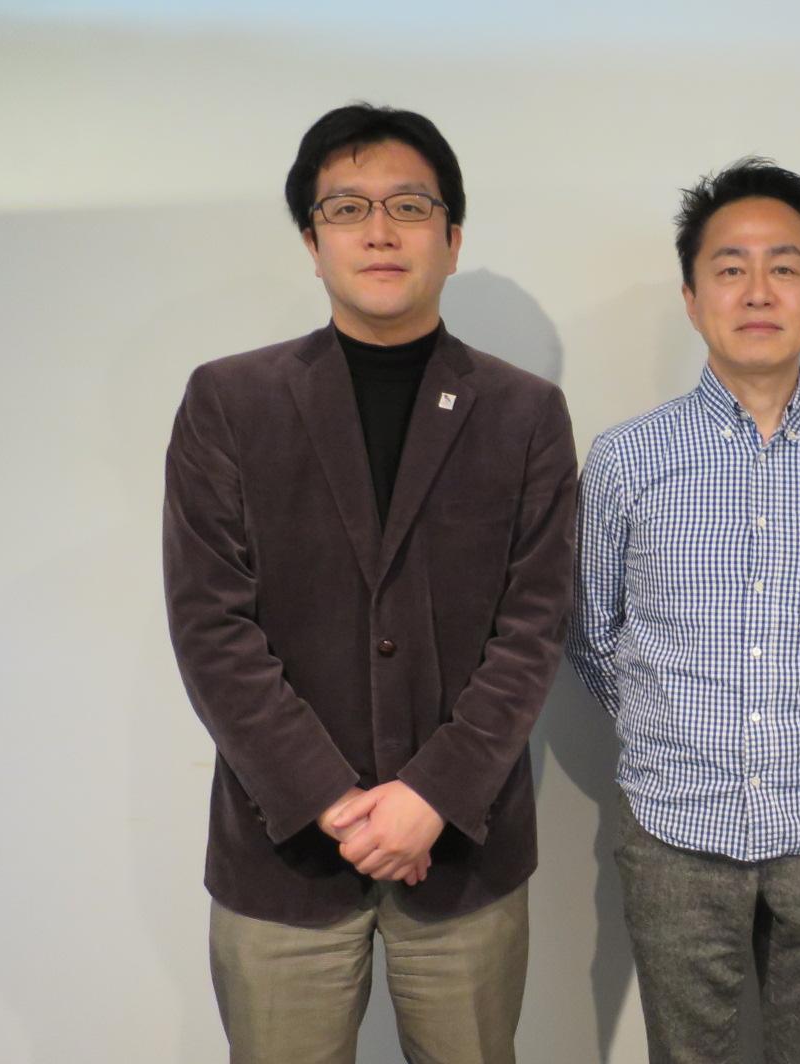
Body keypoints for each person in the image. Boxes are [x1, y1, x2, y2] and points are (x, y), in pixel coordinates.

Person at [162, 103, 576, 1063]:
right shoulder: (230, 401)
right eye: (347, 208)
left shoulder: (524, 413)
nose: (380, 231)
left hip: (463, 850)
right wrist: (333, 802)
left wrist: (430, 795)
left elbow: (534, 628)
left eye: (409, 206)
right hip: (284, 854)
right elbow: (211, 627)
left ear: (452, 237)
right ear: (313, 242)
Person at [566, 158, 800, 1064]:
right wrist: (670, 722)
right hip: (673, 821)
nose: (758, 291)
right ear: (691, 296)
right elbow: (591, 632)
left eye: (785, 267)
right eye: (730, 267)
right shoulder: (628, 459)